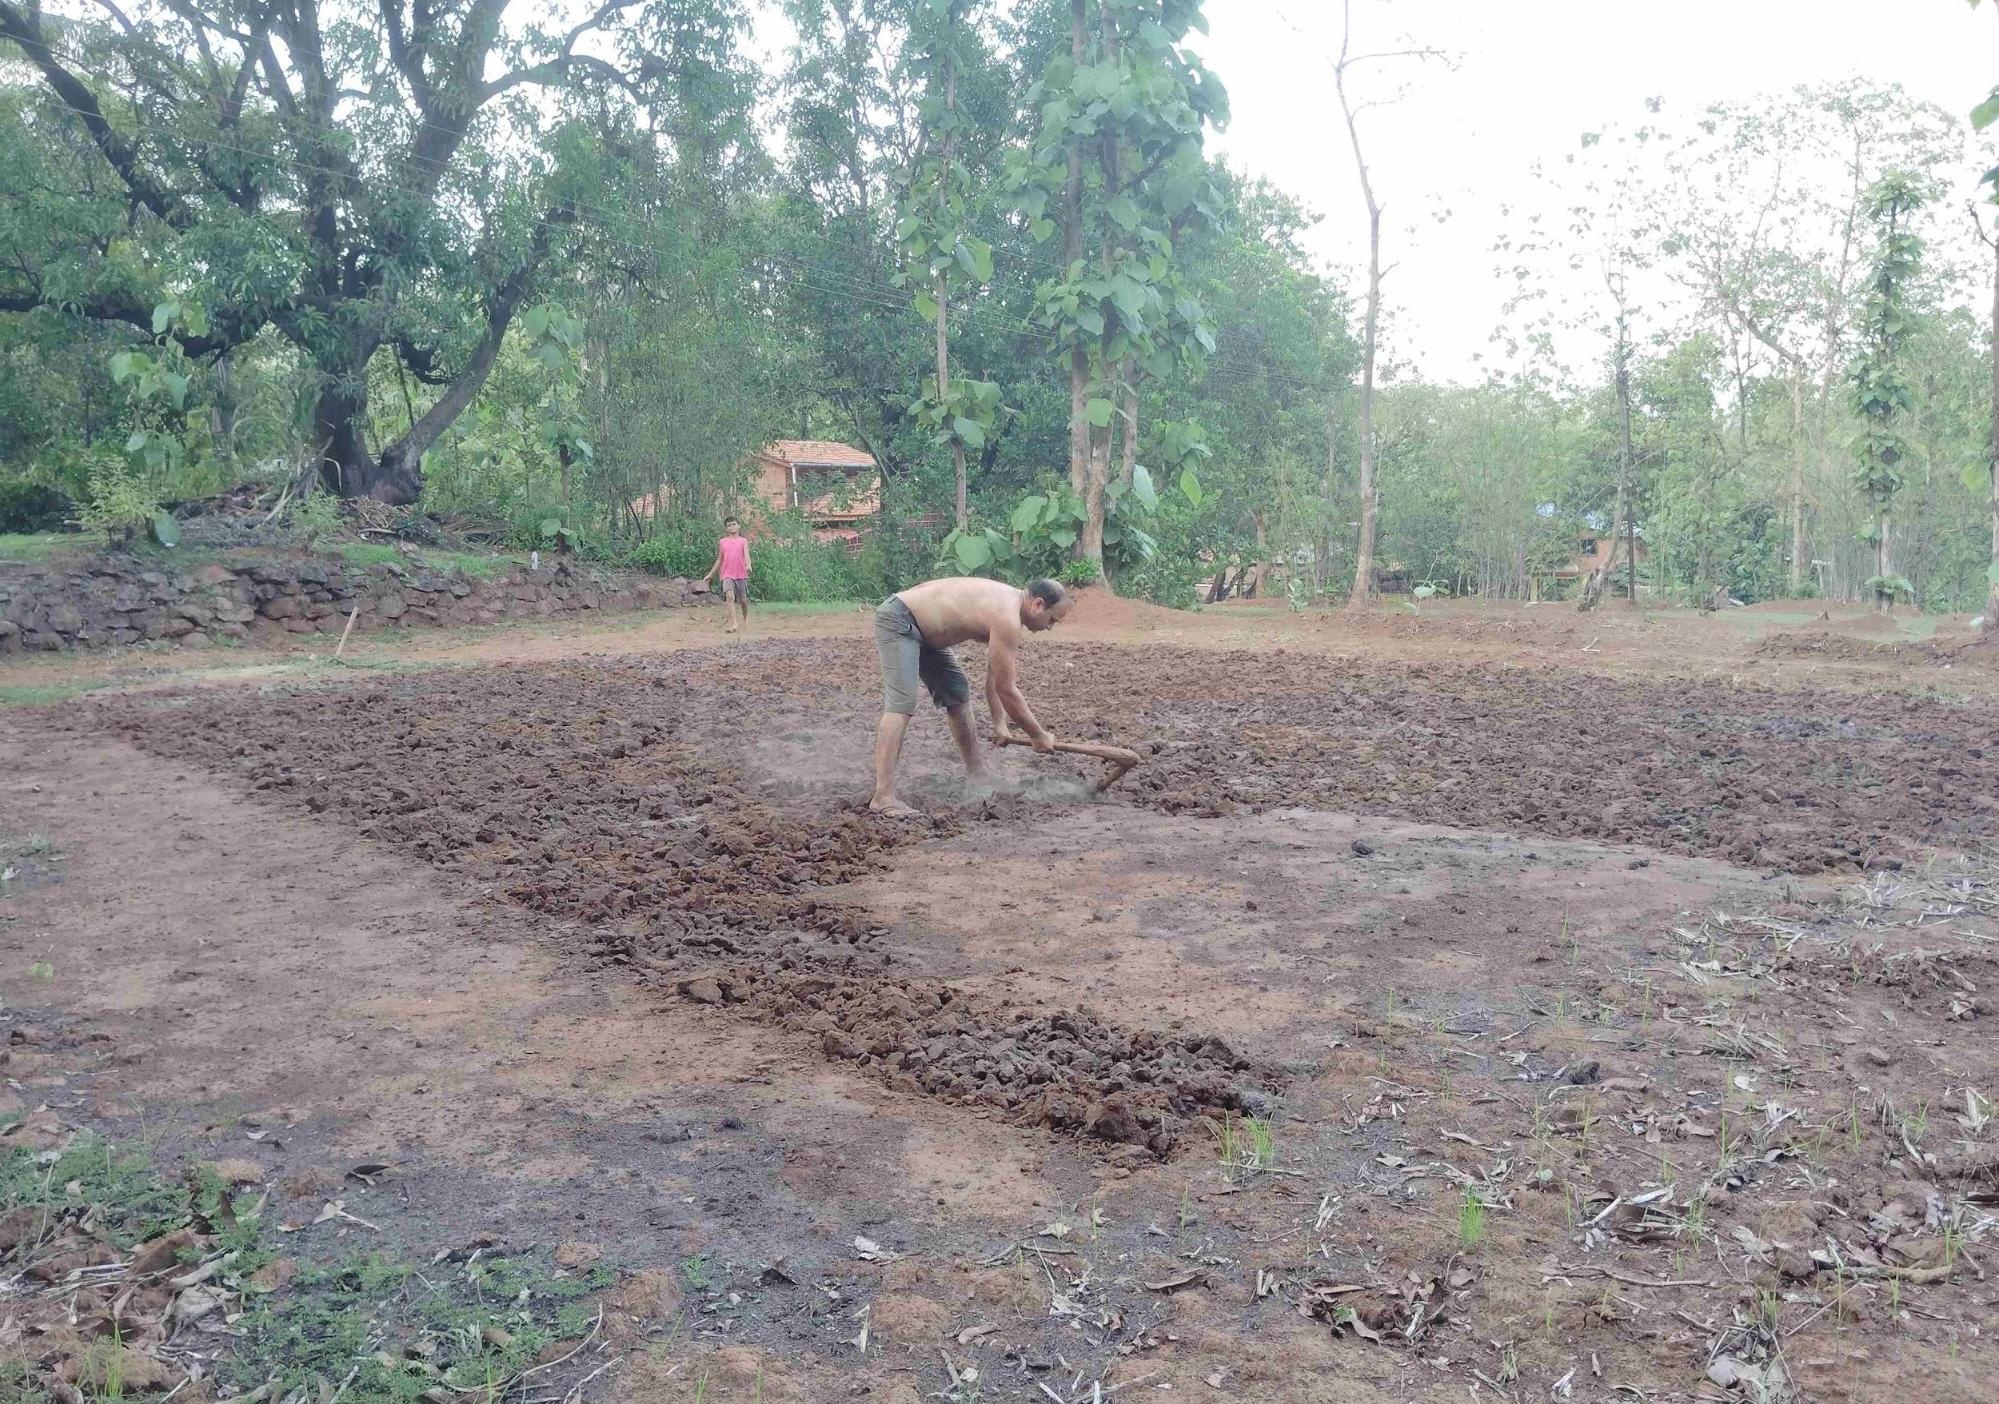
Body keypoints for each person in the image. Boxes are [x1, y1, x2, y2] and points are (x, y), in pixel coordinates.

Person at [869, 576, 1073, 815]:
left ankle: (978, 775)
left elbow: (995, 676)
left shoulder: (1009, 608)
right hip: (901, 620)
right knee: (902, 704)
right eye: (1051, 620)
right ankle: (882, 797)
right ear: (1038, 604)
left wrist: (1000, 723)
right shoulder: (1006, 615)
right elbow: (1007, 689)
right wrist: (1037, 735)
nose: (1049, 627)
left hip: (928, 633)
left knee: (957, 694)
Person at [703, 517, 752, 633]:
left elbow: (746, 555)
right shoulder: (723, 542)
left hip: (741, 574)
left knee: (743, 600)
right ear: (726, 528)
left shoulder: (743, 541)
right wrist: (710, 574)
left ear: (739, 526)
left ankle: (745, 619)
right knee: (730, 597)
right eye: (729, 525)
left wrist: (748, 565)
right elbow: (719, 560)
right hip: (727, 574)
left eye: (734, 524)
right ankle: (734, 623)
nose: (732, 527)